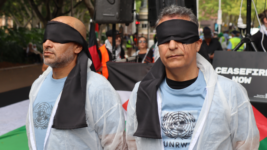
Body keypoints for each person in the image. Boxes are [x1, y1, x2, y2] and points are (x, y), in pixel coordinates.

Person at [126, 5, 259, 150]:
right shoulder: (142, 92)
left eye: (181, 37)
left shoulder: (230, 93)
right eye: (164, 39)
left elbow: (246, 145)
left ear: (197, 44)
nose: (172, 45)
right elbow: (133, 143)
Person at [26, 16, 126, 150]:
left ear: (78, 47)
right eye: (46, 38)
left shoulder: (98, 89)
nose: (47, 44)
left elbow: (116, 145)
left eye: (57, 38)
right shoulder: (38, 85)